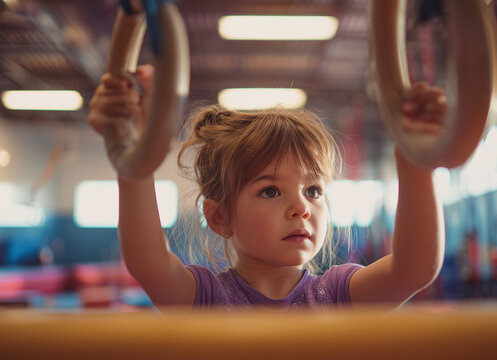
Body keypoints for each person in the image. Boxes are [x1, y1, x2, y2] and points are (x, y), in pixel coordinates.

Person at [88, 64, 446, 310]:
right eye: (271, 191)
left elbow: (414, 269)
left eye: (313, 190)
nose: (301, 208)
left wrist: (416, 161)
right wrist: (134, 155)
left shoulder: (338, 295)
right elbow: (147, 262)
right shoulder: (205, 299)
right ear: (219, 217)